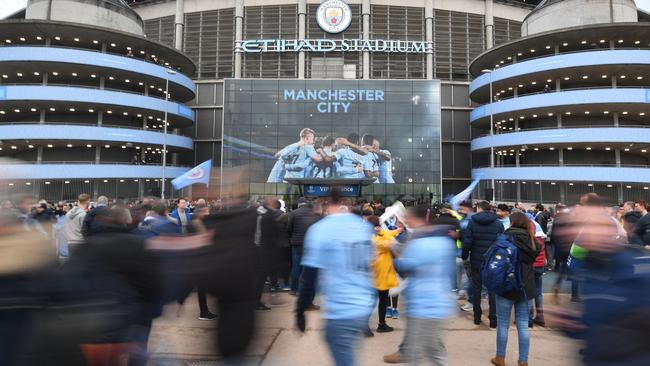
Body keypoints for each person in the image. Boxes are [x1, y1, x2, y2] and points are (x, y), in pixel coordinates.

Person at [297, 188, 375, 366]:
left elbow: (308, 276)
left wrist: (300, 311)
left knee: (344, 357)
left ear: (325, 203)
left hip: (342, 308)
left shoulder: (320, 229)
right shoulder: (363, 225)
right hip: (365, 304)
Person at [394, 205, 456, 365]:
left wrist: (397, 259)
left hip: (423, 304)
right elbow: (449, 271)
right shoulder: (444, 242)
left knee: (418, 352)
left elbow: (406, 266)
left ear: (416, 219)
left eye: (407, 218)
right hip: (436, 302)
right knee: (432, 348)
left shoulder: (418, 242)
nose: (405, 221)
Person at [491, 212, 540, 366]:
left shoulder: (504, 239)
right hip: (526, 287)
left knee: (503, 323)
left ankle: (500, 358)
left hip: (506, 285)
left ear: (511, 223)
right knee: (523, 324)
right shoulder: (533, 242)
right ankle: (523, 360)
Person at [462, 200, 503, 327]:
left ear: (479, 208)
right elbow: (502, 242)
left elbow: (467, 241)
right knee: (492, 289)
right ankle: (493, 319)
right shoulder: (498, 223)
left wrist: (464, 255)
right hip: (493, 260)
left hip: (476, 259)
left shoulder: (472, 222)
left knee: (476, 288)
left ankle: (477, 317)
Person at [368, 215, 398, 333]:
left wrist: (395, 231)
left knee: (375, 300)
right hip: (381, 272)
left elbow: (389, 235)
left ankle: (367, 324)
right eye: (378, 226)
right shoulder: (376, 239)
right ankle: (381, 324)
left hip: (374, 272)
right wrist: (385, 233)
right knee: (381, 300)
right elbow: (391, 243)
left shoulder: (369, 237)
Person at [287, 197, 320, 295]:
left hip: (297, 244)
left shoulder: (293, 213)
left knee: (296, 267)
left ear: (299, 203)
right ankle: (307, 290)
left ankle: (294, 289)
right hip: (311, 244)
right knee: (309, 267)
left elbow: (289, 228)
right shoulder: (313, 213)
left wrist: (291, 237)